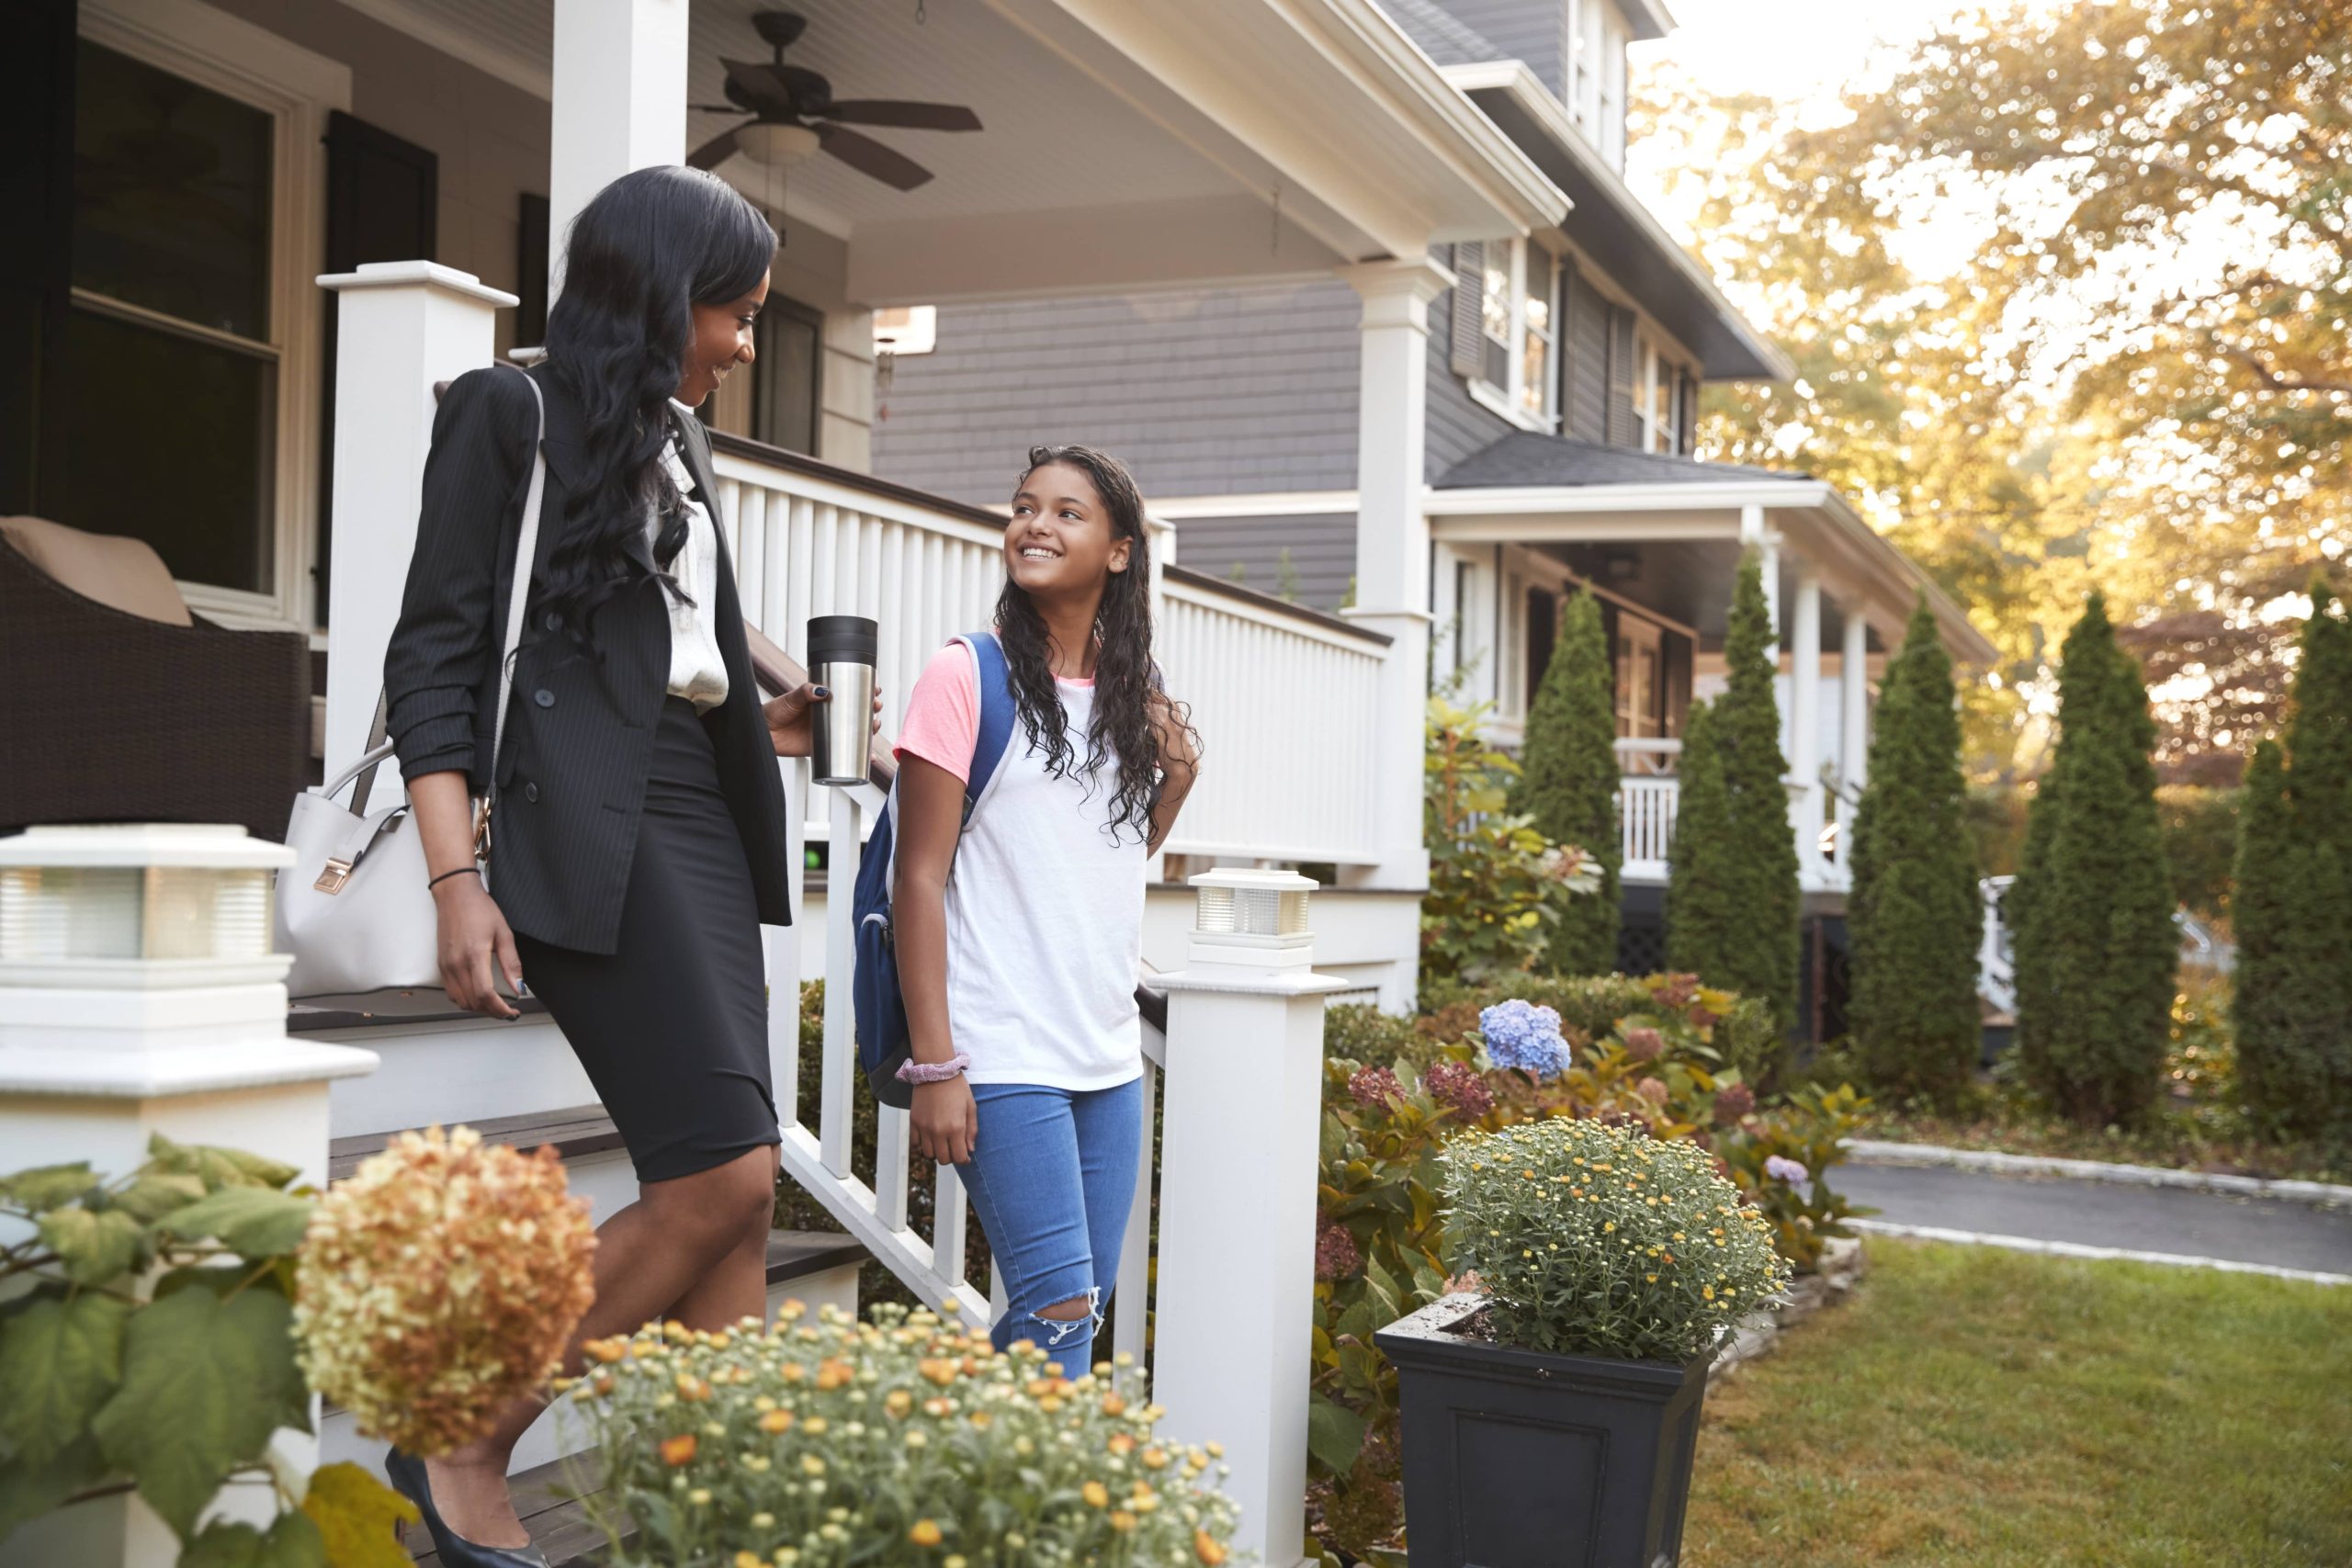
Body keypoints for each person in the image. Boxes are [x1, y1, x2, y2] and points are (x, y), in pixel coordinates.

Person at [379, 164, 865, 1567]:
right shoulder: (507, 409)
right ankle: (470, 1428)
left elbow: (675, 632)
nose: (748, 344)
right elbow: (437, 651)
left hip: (701, 811)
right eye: (737, 312)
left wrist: (762, 706)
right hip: (585, 820)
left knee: (744, 1183)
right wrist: (453, 879)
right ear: (662, 295)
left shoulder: (672, 433)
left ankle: (712, 1522)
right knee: (716, 1175)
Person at [890, 444, 1200, 1380]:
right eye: (1025, 506)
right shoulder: (964, 675)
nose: (1035, 523)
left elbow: (1101, 860)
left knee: (1068, 1309)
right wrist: (936, 1063)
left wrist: (1176, 777)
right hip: (1001, 1046)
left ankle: (969, 1500)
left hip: (1105, 1057)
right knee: (1061, 1303)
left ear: (1118, 551)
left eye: (1067, 512)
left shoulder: (1124, 697)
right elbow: (919, 878)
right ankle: (1030, 1517)